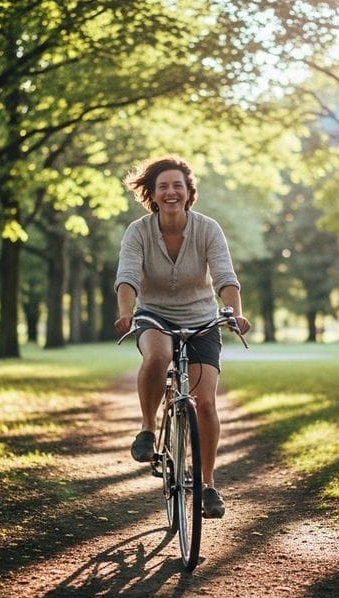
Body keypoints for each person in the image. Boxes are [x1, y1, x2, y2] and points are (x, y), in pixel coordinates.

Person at [114, 155, 251, 519]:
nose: (171, 192)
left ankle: (207, 484)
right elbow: (127, 275)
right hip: (154, 314)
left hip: (202, 318)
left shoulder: (208, 229)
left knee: (205, 403)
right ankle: (147, 429)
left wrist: (235, 312)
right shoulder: (138, 231)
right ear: (153, 195)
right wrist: (126, 313)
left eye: (178, 185)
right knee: (157, 356)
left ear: (189, 192)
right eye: (163, 187)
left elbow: (224, 275)